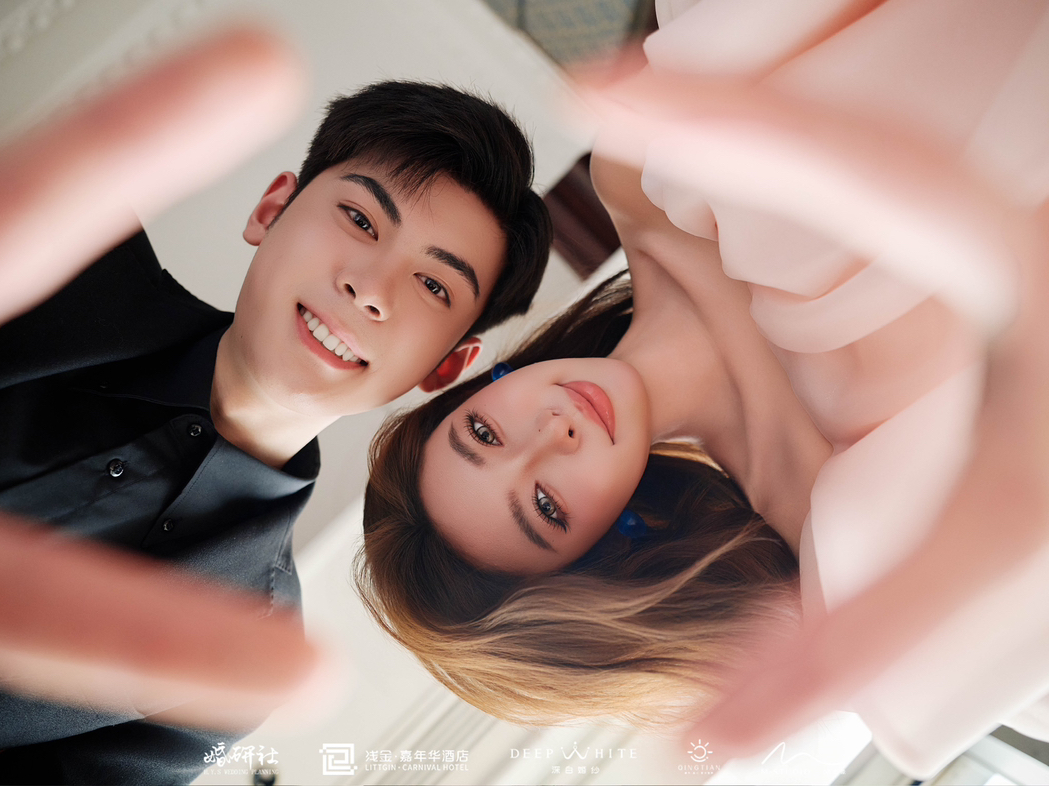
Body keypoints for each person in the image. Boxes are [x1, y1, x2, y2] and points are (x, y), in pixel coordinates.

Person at [356, 0, 1049, 777]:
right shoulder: (842, 522)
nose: (552, 431)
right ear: (602, 550)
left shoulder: (635, 178)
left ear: (477, 387)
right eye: (546, 506)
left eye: (483, 434)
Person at [0, 29, 552, 786]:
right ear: (272, 208)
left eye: (433, 285)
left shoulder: (237, 659)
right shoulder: (60, 246)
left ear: (444, 369)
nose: (368, 288)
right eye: (361, 220)